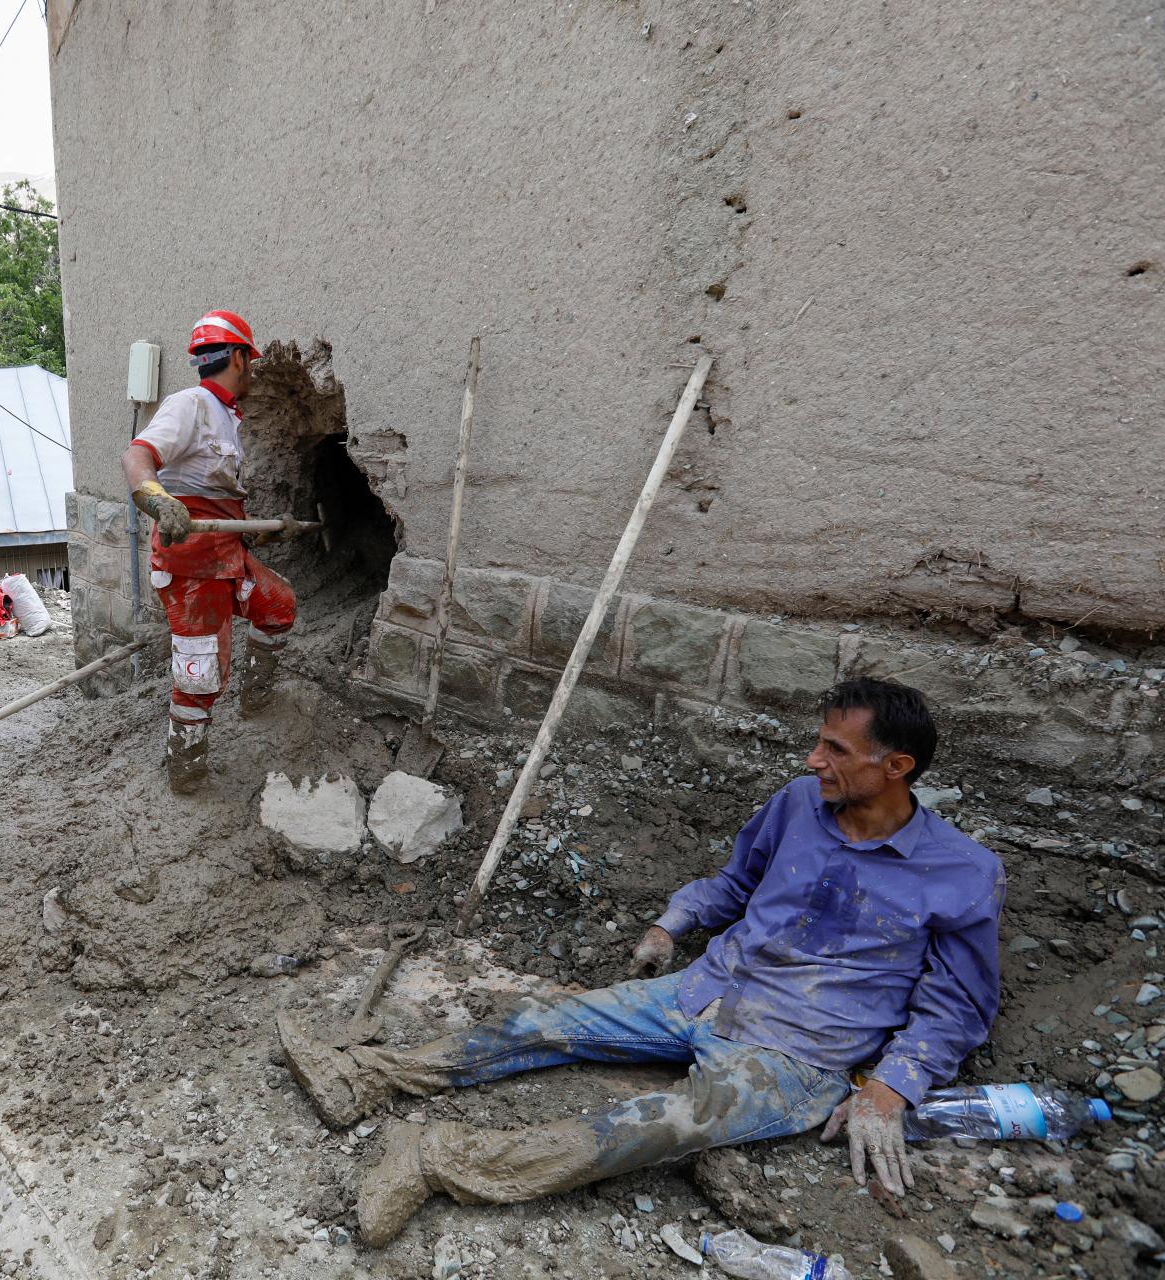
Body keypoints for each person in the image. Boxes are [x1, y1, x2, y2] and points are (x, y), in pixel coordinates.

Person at [277, 679, 1005, 1247]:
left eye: (836, 751)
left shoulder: (963, 873)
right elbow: (735, 885)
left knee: (651, 1126)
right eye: (818, 744)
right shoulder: (797, 804)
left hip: (798, 1055)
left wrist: (891, 1088)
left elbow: (959, 1007)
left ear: (897, 766)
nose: (814, 761)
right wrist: (673, 922)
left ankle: (436, 1162)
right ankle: (368, 1077)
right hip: (708, 989)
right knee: (545, 1020)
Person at [119, 309, 297, 793]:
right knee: (200, 680)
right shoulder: (191, 404)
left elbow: (212, 491)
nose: (253, 370)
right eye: (251, 361)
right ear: (239, 357)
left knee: (279, 606)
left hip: (227, 556)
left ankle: (256, 698)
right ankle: (187, 769)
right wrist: (155, 499)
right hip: (191, 569)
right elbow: (137, 456)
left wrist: (250, 529)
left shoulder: (225, 416)